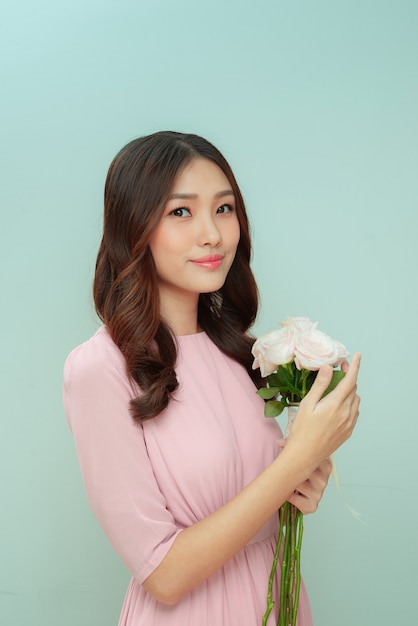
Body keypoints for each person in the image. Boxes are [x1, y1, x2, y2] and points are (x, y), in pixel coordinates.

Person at [63, 131, 360, 626]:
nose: (213, 234)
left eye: (224, 209)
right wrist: (294, 461)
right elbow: (164, 575)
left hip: (276, 602)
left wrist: (302, 480)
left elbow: (258, 493)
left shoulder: (245, 353)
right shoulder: (99, 369)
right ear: (134, 227)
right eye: (181, 212)